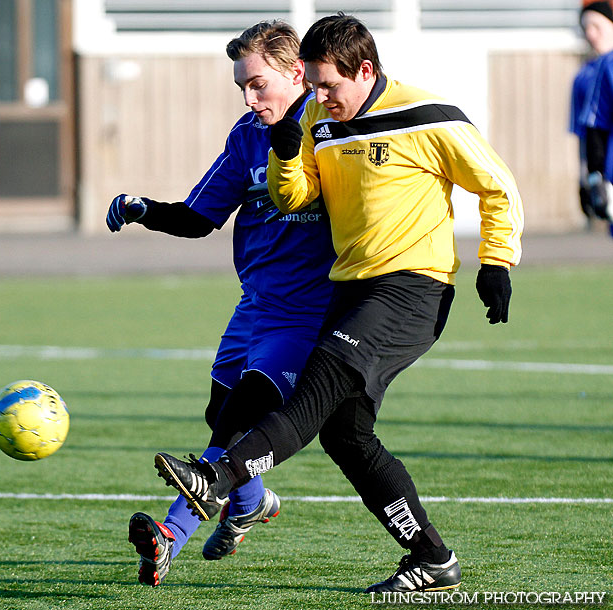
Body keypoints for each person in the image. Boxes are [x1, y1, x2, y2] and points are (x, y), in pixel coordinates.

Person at [154, 13, 524, 594]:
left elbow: (497, 185)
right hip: (351, 288)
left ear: (366, 70)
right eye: (313, 85)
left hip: (412, 285)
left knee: (316, 388)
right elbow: (295, 193)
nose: (319, 97)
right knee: (345, 435)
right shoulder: (315, 120)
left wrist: (496, 261)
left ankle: (217, 478)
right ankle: (431, 558)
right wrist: (283, 152)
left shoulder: (426, 115)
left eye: (328, 86)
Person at [105, 21, 336, 586]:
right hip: (255, 304)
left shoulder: (333, 131)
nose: (249, 98)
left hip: (307, 312)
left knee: (234, 424)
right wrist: (142, 207)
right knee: (219, 413)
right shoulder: (246, 136)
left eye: (257, 84)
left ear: (296, 72)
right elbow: (199, 217)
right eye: (242, 87)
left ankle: (169, 535)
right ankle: (251, 503)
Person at [570, 0, 613, 227]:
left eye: (596, 26)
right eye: (586, 27)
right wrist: (589, 178)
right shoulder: (589, 74)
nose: (590, 34)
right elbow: (590, 130)